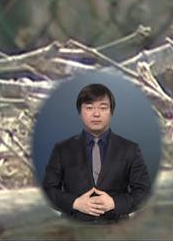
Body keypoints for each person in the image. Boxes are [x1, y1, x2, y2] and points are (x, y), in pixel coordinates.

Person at [42, 83, 151, 224]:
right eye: (89, 108)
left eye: (103, 107)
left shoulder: (130, 149)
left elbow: (143, 191)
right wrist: (75, 203)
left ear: (111, 111)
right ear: (80, 112)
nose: (96, 113)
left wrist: (114, 203)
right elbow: (48, 189)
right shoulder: (62, 149)